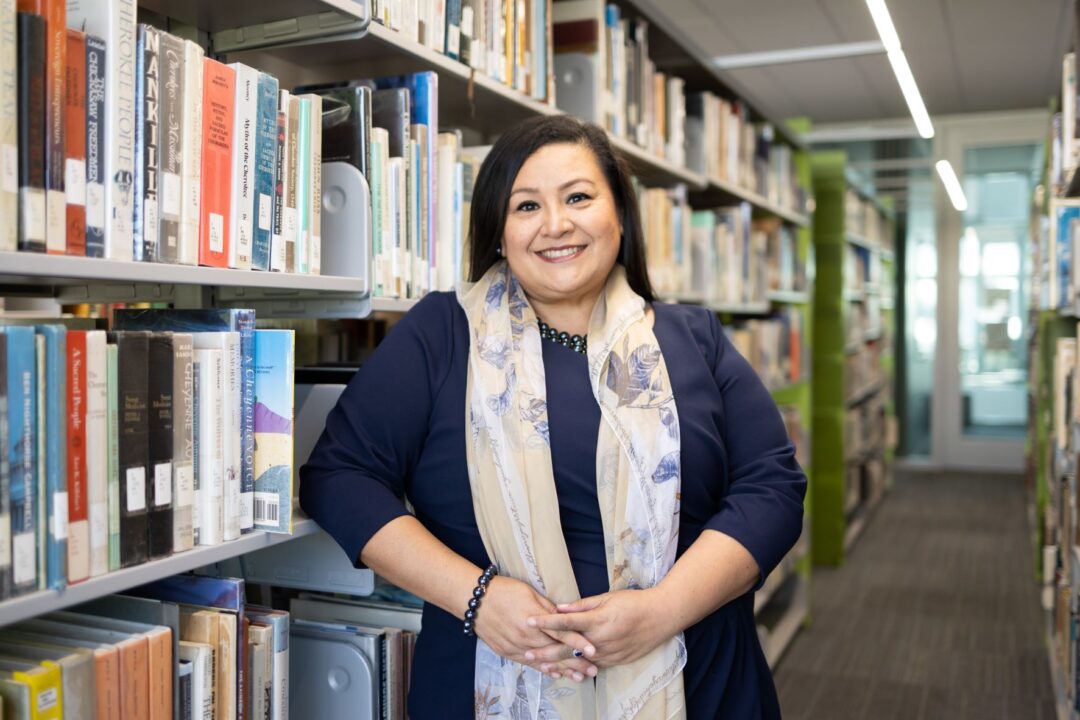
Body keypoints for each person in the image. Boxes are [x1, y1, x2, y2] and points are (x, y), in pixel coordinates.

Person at [300, 114, 807, 719]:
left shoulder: (694, 337)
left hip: (704, 684)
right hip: (486, 680)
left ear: (620, 215)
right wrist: (478, 600)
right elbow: (340, 478)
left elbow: (772, 487)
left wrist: (663, 611)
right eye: (526, 206)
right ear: (499, 232)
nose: (556, 224)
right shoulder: (442, 334)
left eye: (578, 197)